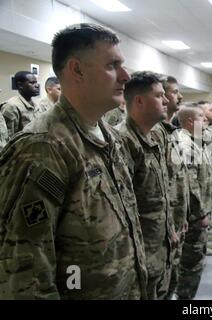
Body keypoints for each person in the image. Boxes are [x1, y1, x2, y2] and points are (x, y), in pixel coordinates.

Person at [0, 23, 148, 299]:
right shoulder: (43, 147)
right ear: (77, 70)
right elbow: (25, 269)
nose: (126, 76)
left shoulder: (109, 137)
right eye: (112, 65)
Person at [118, 71, 177, 299]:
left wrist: (169, 229)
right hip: (140, 253)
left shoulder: (156, 136)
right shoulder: (123, 141)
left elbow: (160, 190)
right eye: (159, 95)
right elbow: (124, 209)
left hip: (160, 244)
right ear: (139, 101)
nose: (166, 101)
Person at [151, 75, 189, 300]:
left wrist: (181, 215)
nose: (180, 96)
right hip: (156, 233)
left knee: (170, 281)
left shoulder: (169, 132)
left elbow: (176, 180)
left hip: (173, 223)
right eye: (175, 92)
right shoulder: (153, 134)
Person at [175, 106, 212, 300]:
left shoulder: (196, 141)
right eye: (201, 117)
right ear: (190, 122)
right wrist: (199, 214)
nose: (205, 119)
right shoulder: (185, 144)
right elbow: (190, 184)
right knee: (191, 264)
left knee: (193, 260)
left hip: (199, 212)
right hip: (193, 216)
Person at [1, 71, 41, 136]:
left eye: (36, 82)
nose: (37, 86)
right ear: (20, 85)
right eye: (32, 83)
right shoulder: (11, 106)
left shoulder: (36, 105)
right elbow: (8, 137)